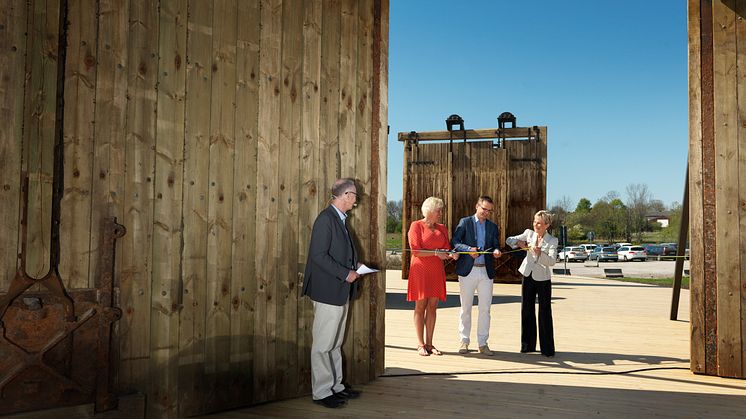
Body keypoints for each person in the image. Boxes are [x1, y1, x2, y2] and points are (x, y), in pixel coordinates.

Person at [302, 178, 363, 408]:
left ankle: (335, 386)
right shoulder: (325, 219)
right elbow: (318, 256)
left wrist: (354, 267)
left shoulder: (340, 220)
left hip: (340, 291)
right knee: (323, 344)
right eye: (354, 195)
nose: (356, 200)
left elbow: (338, 254)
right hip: (328, 291)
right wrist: (345, 273)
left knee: (335, 343)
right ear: (345, 195)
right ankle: (321, 392)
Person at [407, 197, 459, 356]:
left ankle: (430, 344)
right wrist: (436, 253)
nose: (441, 213)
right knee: (420, 306)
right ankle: (420, 343)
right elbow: (415, 250)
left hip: (436, 270)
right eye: (439, 210)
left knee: (432, 306)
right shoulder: (416, 226)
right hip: (420, 270)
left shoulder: (442, 228)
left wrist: (452, 254)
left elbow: (446, 249)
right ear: (429, 211)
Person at [451, 196, 502, 356]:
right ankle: (464, 341)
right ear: (476, 206)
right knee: (465, 308)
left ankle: (483, 343)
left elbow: (496, 245)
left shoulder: (493, 227)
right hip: (468, 271)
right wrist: (468, 249)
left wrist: (496, 251)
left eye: (489, 210)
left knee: (485, 309)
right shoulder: (465, 222)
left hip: (486, 272)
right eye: (484, 209)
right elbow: (455, 242)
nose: (486, 212)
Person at [505, 210, 559, 357]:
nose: (536, 225)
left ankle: (547, 349)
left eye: (539, 223)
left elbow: (552, 261)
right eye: (535, 222)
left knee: (545, 313)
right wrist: (518, 243)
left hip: (543, 279)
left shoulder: (552, 241)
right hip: (527, 275)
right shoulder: (528, 233)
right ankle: (527, 346)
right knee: (527, 310)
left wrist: (539, 253)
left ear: (547, 225)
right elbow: (508, 240)